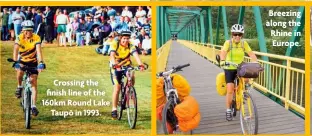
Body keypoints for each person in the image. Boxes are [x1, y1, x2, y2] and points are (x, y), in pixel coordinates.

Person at [219, 24, 257, 121]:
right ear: (232, 35)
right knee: (230, 89)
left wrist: (256, 62)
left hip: (240, 67)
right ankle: (228, 110)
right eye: (235, 34)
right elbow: (223, 52)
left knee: (247, 77)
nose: (237, 36)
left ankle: (244, 91)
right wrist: (222, 61)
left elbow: (251, 53)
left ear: (242, 36)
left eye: (239, 35)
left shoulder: (244, 44)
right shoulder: (228, 43)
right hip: (229, 67)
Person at [109, 30, 145, 119]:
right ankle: (114, 109)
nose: (126, 40)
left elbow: (135, 55)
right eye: (124, 38)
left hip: (127, 65)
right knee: (117, 87)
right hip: (115, 66)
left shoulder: (130, 45)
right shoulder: (115, 43)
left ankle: (129, 90)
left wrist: (140, 65)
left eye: (127, 39)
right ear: (120, 38)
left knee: (132, 75)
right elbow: (112, 55)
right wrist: (115, 65)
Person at [13, 20, 46, 116]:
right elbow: (15, 50)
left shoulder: (36, 37)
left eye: (31, 30)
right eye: (27, 30)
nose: (29, 33)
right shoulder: (19, 38)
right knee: (19, 71)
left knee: (33, 82)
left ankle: (33, 106)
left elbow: (39, 51)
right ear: (23, 31)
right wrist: (15, 62)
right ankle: (19, 86)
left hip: (33, 62)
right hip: (22, 60)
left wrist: (41, 62)